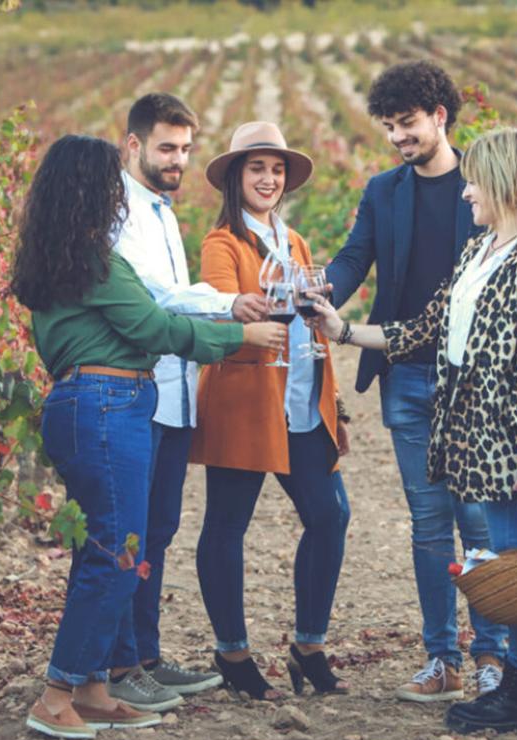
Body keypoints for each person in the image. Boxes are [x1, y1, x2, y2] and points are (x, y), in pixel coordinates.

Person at [307, 127, 517, 734]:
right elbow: (419, 330)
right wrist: (341, 331)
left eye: (473, 182)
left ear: (500, 183)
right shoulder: (479, 254)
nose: (465, 192)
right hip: (480, 436)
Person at [10, 134, 286, 739]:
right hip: (106, 405)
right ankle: (57, 695)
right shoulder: (94, 263)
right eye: (110, 184)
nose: (118, 195)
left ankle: (93, 687)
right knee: (117, 551)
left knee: (106, 549)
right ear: (89, 191)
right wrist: (238, 340)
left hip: (93, 405)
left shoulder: (58, 258)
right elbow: (155, 326)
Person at [325, 60, 506, 703]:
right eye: (390, 127)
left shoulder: (484, 184)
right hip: (404, 371)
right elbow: (354, 257)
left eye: (407, 124)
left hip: (473, 375)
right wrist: (326, 289)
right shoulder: (383, 191)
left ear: (439, 117)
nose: (399, 137)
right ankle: (442, 658)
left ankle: (492, 656)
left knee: (479, 521)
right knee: (428, 524)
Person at [105, 93, 269, 711]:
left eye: (184, 150)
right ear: (134, 145)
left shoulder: (164, 211)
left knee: (159, 532)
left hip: (176, 397)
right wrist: (229, 309)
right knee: (130, 538)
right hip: (138, 396)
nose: (177, 160)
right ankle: (120, 666)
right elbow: (154, 295)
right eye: (166, 147)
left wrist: (230, 307)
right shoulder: (120, 211)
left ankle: (145, 656)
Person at [189, 122, 351, 700]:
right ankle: (232, 652)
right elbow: (214, 312)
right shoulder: (223, 243)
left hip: (302, 402)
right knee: (227, 526)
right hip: (246, 402)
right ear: (236, 177)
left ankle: (308, 646)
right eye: (256, 168)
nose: (268, 178)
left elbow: (311, 318)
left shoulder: (297, 241)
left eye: (276, 169)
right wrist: (243, 311)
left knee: (331, 516)